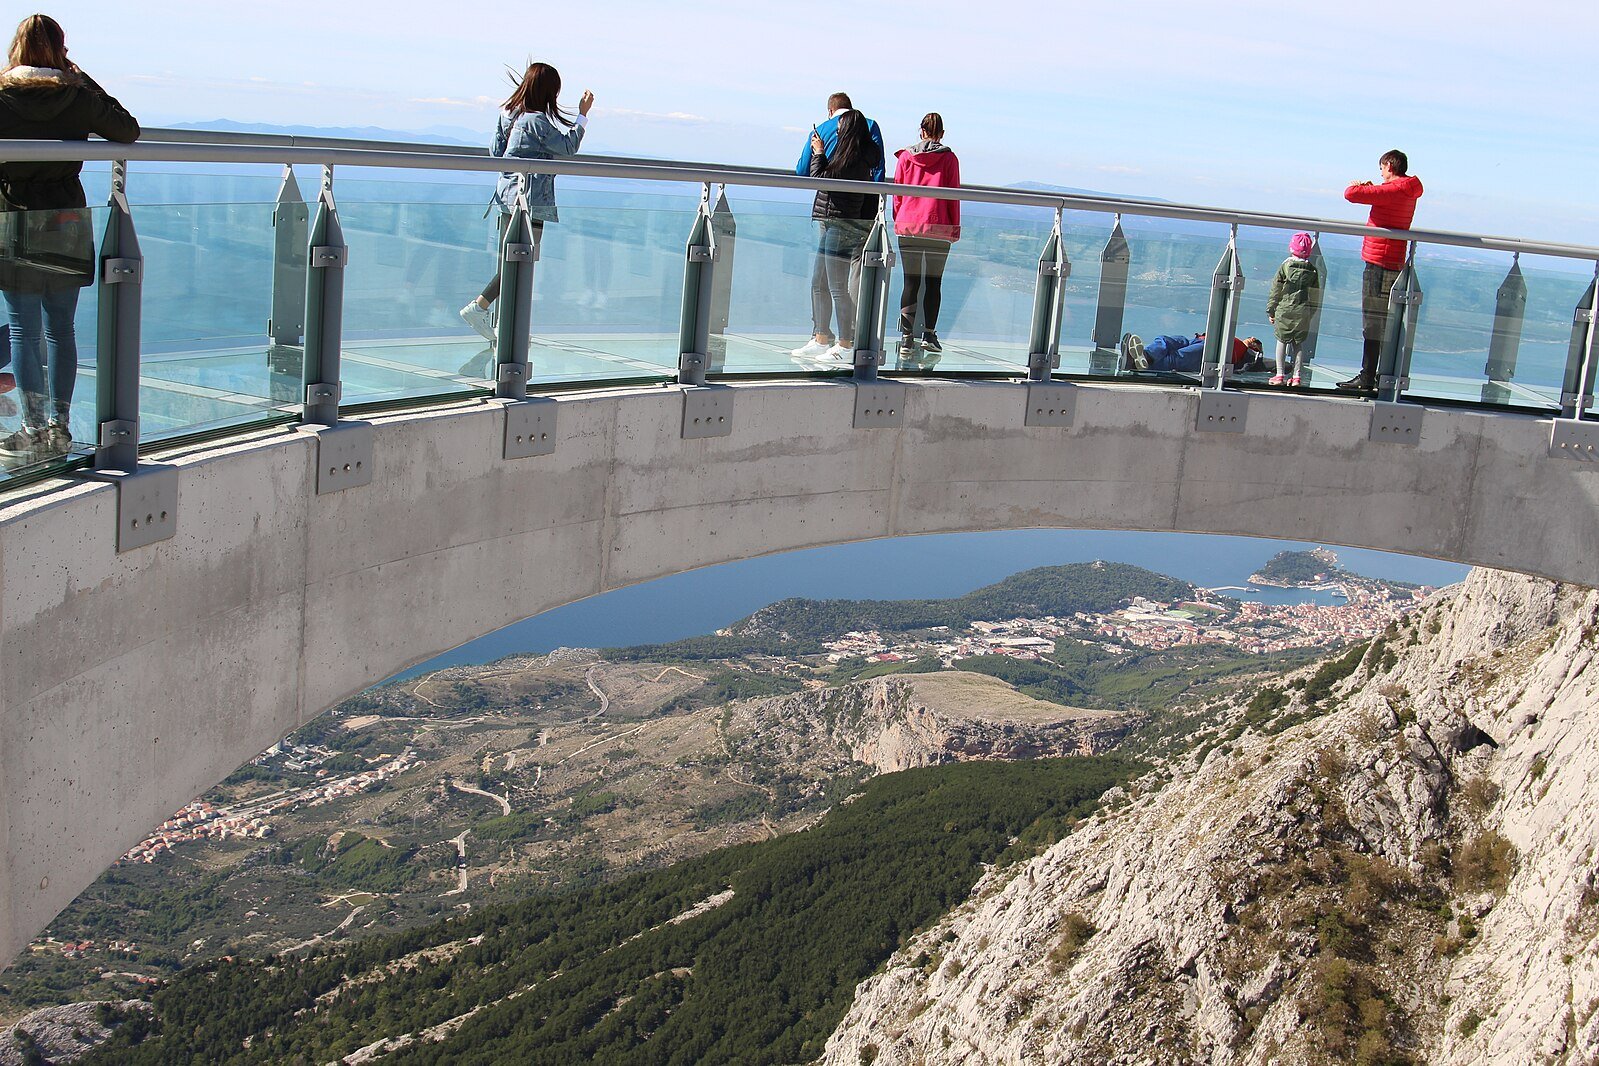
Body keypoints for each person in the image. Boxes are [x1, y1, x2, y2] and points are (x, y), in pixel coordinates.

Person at [0, 14, 138, 465]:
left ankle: (32, 429)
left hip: (13, 218)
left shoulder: (2, 97)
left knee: (24, 328)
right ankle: (58, 427)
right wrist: (80, 77)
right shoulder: (76, 97)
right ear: (62, 50)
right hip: (65, 219)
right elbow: (126, 129)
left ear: (15, 50)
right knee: (61, 327)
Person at [460, 62, 593, 347]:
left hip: (506, 196)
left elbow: (497, 153)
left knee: (512, 260)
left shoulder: (508, 114)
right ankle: (481, 308)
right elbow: (568, 146)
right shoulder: (536, 121)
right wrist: (582, 116)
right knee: (522, 261)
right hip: (531, 200)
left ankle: (506, 327)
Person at [791, 93, 885, 361]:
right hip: (855, 217)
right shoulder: (869, 140)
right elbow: (877, 177)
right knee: (821, 281)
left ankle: (844, 343)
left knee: (834, 285)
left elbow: (808, 174)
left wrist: (819, 151)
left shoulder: (831, 138)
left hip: (837, 220)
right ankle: (823, 338)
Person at [1337, 149, 1423, 391]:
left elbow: (1351, 194)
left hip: (1379, 261)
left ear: (1389, 165)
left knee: (1373, 322)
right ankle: (1378, 375)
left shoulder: (1394, 189)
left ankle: (1368, 377)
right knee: (1384, 320)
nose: (1381, 173)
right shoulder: (1407, 189)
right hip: (1393, 259)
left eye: (1382, 168)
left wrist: (1359, 185)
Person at [892, 112, 959, 366]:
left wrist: (899, 219)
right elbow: (953, 194)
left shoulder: (906, 157)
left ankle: (907, 338)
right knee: (933, 283)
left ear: (920, 131)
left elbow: (897, 193)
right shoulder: (949, 159)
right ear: (941, 133)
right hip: (938, 226)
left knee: (910, 282)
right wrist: (954, 228)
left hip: (909, 225)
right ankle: (929, 335)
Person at [1265, 232, 1322, 386]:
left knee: (1281, 340)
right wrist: (1311, 313)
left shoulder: (1285, 267)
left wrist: (1271, 310)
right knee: (1298, 343)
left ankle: (1279, 374)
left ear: (1292, 248)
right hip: (1303, 310)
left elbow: (1276, 290)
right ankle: (1296, 377)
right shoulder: (1313, 270)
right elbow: (1315, 296)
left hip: (1285, 309)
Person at [1121, 332, 1261, 373]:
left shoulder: (1248, 355)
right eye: (1251, 337)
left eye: (1255, 341)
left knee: (1176, 358)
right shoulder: (1236, 341)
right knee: (1165, 340)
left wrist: (1257, 352)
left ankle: (1135, 363)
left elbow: (1263, 363)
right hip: (1198, 339)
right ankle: (1146, 355)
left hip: (1212, 351)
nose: (1252, 338)